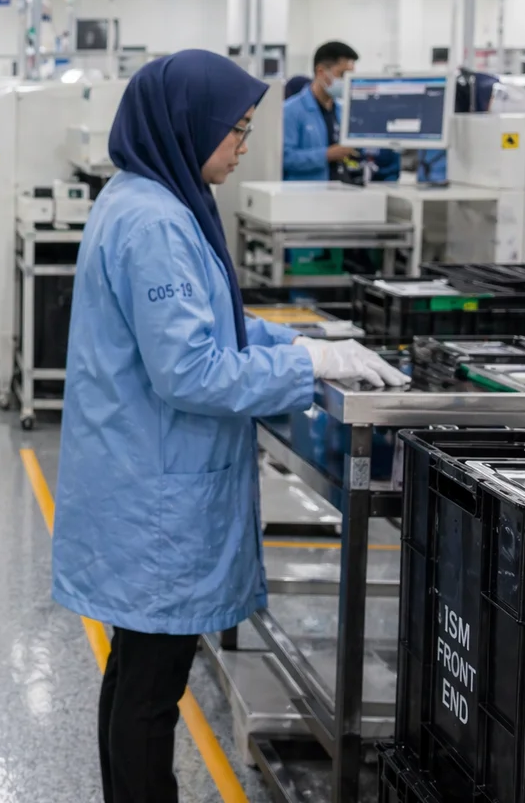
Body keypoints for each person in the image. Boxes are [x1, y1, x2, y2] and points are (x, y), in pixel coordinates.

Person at [51, 50, 406, 803]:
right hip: (157, 500)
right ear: (188, 126)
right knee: (149, 689)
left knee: (138, 675)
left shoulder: (151, 198)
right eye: (236, 131)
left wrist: (299, 344)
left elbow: (212, 325)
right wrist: (307, 367)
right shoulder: (154, 221)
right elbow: (193, 370)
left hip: (145, 480)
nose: (243, 145)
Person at [283, 40, 399, 183]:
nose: (347, 81)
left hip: (340, 188)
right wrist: (327, 155)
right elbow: (285, 158)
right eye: (342, 74)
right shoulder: (291, 111)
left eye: (351, 76)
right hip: (305, 193)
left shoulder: (342, 111)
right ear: (321, 72)